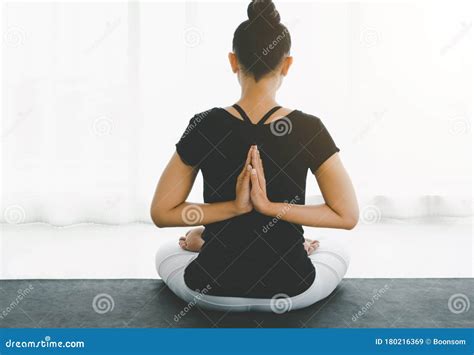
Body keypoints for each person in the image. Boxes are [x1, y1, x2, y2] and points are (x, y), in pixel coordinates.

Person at [151, 0, 359, 312]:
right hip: (291, 292)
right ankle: (292, 245)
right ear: (287, 65)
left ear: (234, 61)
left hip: (211, 291)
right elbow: (348, 216)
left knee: (168, 250)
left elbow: (161, 212)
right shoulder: (308, 127)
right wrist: (271, 208)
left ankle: (204, 238)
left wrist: (234, 208)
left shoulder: (204, 124)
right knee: (335, 248)